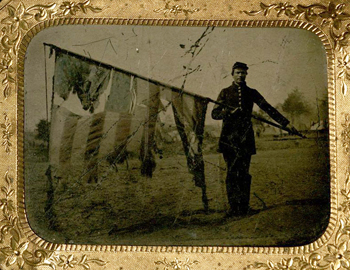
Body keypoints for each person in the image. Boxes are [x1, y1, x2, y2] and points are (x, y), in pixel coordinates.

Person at [211, 62, 297, 217]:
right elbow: (214, 114)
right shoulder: (224, 92)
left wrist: (286, 123)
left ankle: (244, 208)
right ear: (232, 74)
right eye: (237, 72)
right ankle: (233, 209)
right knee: (231, 173)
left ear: (246, 75)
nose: (240, 75)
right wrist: (228, 113)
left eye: (243, 73)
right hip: (229, 139)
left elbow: (268, 108)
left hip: (245, 139)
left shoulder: (252, 92)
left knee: (244, 173)